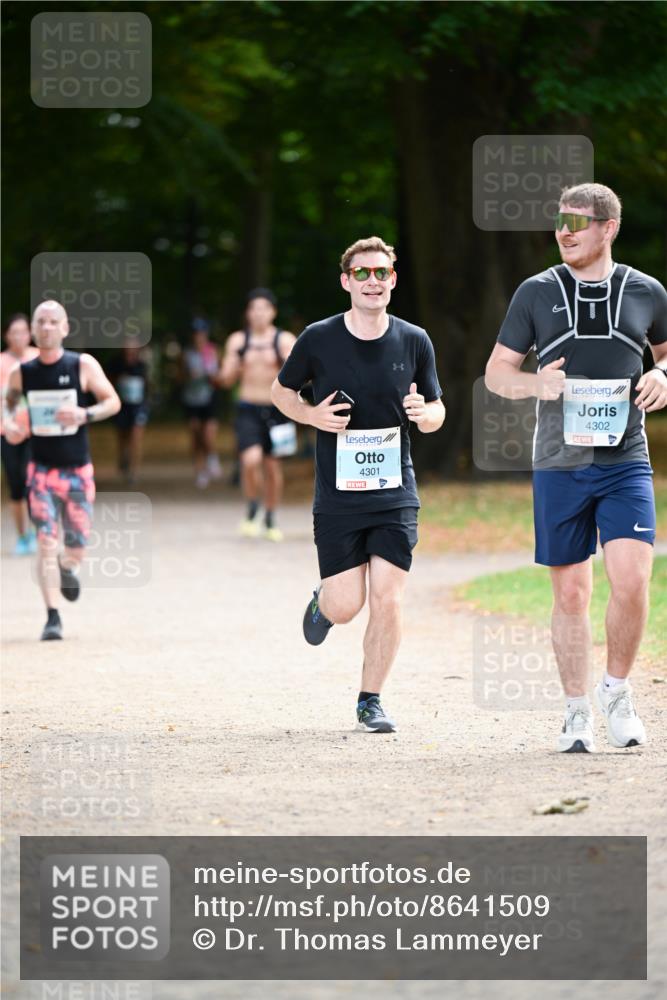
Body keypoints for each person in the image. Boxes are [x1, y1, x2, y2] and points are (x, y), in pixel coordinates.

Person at [485, 183, 667, 753]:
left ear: (608, 228)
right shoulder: (535, 292)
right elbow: (497, 374)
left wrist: (664, 374)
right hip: (560, 463)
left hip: (625, 460)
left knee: (634, 581)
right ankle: (575, 711)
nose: (565, 231)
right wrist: (536, 383)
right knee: (570, 595)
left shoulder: (646, 290)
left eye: (578, 222)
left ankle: (615, 691)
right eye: (560, 221)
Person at [271, 236, 445, 733]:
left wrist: (425, 414)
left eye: (382, 273)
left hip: (395, 493)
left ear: (393, 280)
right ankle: (323, 602)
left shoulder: (414, 340)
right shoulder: (318, 338)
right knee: (348, 605)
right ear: (347, 281)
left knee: (389, 597)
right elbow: (279, 392)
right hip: (339, 495)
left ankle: (371, 699)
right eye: (363, 273)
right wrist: (311, 415)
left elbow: (437, 410)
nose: (373, 281)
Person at [3, 300, 121, 641]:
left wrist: (84, 415)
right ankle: (52, 616)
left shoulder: (82, 365)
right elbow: (9, 410)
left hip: (77, 471)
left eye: (54, 321)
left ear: (65, 328)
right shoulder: (21, 373)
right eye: (41, 321)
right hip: (39, 470)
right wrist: (11, 426)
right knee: (45, 542)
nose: (47, 327)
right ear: (33, 329)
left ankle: (69, 568)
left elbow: (113, 402)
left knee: (75, 547)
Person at [218, 288, 296, 541]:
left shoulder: (285, 340)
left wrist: (284, 362)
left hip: (278, 409)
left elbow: (301, 375)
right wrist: (233, 366)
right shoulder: (238, 341)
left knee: (273, 467)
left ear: (272, 312)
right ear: (248, 313)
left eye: (264, 308)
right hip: (248, 408)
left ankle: (271, 516)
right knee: (250, 461)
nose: (259, 313)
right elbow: (226, 379)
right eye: (254, 308)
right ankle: (253, 504)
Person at [1, 313, 39, 554]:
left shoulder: (38, 358)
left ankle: (38, 528)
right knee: (16, 483)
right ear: (6, 335)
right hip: (7, 430)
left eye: (23, 331)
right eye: (14, 332)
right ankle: (22, 535)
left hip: (37, 431)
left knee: (34, 481)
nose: (19, 337)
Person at [180, 318, 222, 489]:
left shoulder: (212, 351)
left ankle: (212, 458)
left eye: (202, 334)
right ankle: (200, 471)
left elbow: (219, 377)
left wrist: (210, 376)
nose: (199, 337)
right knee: (195, 435)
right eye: (196, 334)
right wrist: (189, 375)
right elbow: (179, 377)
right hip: (191, 399)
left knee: (208, 435)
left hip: (209, 398)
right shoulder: (186, 354)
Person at [108, 339, 150, 484]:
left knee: (136, 438)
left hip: (138, 407)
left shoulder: (141, 366)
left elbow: (147, 385)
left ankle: (134, 471)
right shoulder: (116, 364)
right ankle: (123, 458)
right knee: (123, 437)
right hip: (122, 406)